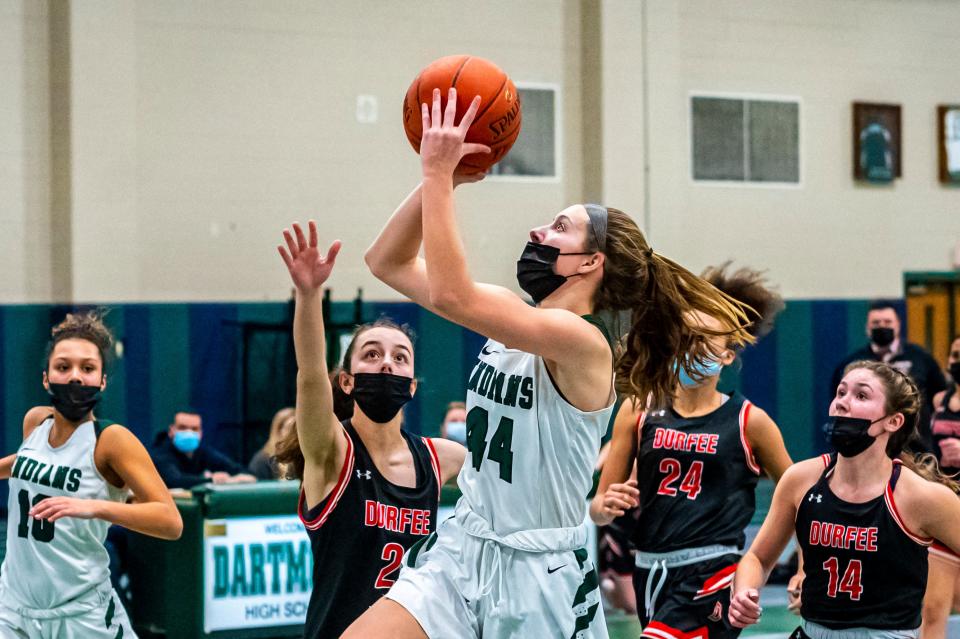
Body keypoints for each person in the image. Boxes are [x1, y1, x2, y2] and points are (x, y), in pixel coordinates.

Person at [346, 87, 755, 639]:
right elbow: (386, 262)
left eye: (559, 228)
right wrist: (437, 183)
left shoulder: (583, 344)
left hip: (539, 574)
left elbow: (449, 295)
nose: (539, 233)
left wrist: (440, 173)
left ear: (591, 261)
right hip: (466, 541)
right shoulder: (516, 316)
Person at [272, 221, 466, 638]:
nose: (386, 364)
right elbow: (309, 374)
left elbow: (513, 484)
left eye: (400, 358)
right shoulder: (332, 452)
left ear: (412, 386)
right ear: (346, 380)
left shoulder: (440, 457)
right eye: (372, 354)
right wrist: (309, 296)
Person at [591, 262, 794, 638]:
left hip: (713, 570)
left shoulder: (750, 421)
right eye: (685, 338)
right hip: (650, 568)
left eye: (704, 341)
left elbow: (799, 496)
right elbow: (599, 507)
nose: (691, 348)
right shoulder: (639, 409)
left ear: (727, 355)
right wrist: (605, 506)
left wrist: (775, 562)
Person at [729, 360, 960, 638]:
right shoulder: (800, 479)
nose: (842, 402)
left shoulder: (919, 496)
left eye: (861, 395)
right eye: (840, 393)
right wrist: (745, 590)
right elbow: (757, 557)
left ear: (893, 421)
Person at [0, 311, 183, 638]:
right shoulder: (35, 423)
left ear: (102, 380)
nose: (74, 377)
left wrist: (92, 506)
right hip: (14, 607)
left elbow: (170, 521)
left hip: (80, 613)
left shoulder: (111, 440)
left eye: (87, 368)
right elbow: (24, 463)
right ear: (46, 378)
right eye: (63, 366)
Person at [829, 300, 946, 453]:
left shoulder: (920, 357)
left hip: (917, 447)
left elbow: (940, 396)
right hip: (865, 449)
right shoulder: (853, 362)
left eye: (887, 322)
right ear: (867, 328)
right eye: (876, 323)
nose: (882, 326)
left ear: (898, 324)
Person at [920, 335, 960, 638]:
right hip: (946, 506)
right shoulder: (939, 401)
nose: (958, 360)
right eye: (955, 354)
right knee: (933, 608)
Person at [150, 409, 257, 488]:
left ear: (201, 433)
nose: (189, 433)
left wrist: (234, 479)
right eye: (182, 428)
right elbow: (174, 480)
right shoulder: (160, 454)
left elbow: (241, 471)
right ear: (171, 431)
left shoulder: (203, 452)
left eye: (194, 429)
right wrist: (212, 479)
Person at [248, 407, 295, 480]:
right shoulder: (261, 460)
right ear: (278, 431)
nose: (295, 433)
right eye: (290, 428)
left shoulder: (304, 458)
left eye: (297, 429)